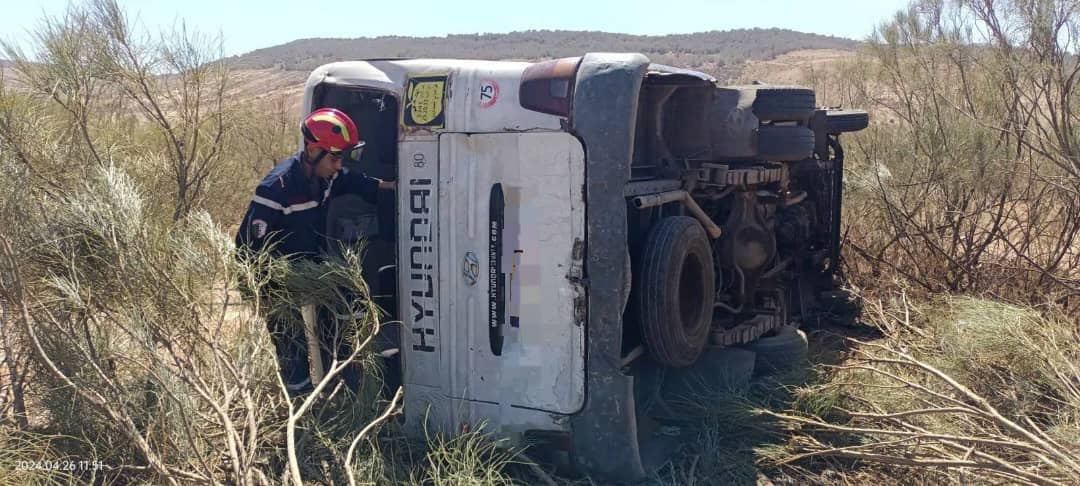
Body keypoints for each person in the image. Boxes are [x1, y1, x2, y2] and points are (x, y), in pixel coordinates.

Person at [235, 107, 393, 395]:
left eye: (342, 157)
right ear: (312, 150)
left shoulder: (326, 176)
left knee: (344, 317)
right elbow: (247, 246)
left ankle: (344, 391)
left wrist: (390, 187)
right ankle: (304, 414)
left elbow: (353, 181)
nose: (338, 164)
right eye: (334, 157)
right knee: (292, 347)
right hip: (280, 283)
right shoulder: (276, 188)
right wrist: (262, 293)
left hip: (314, 269)